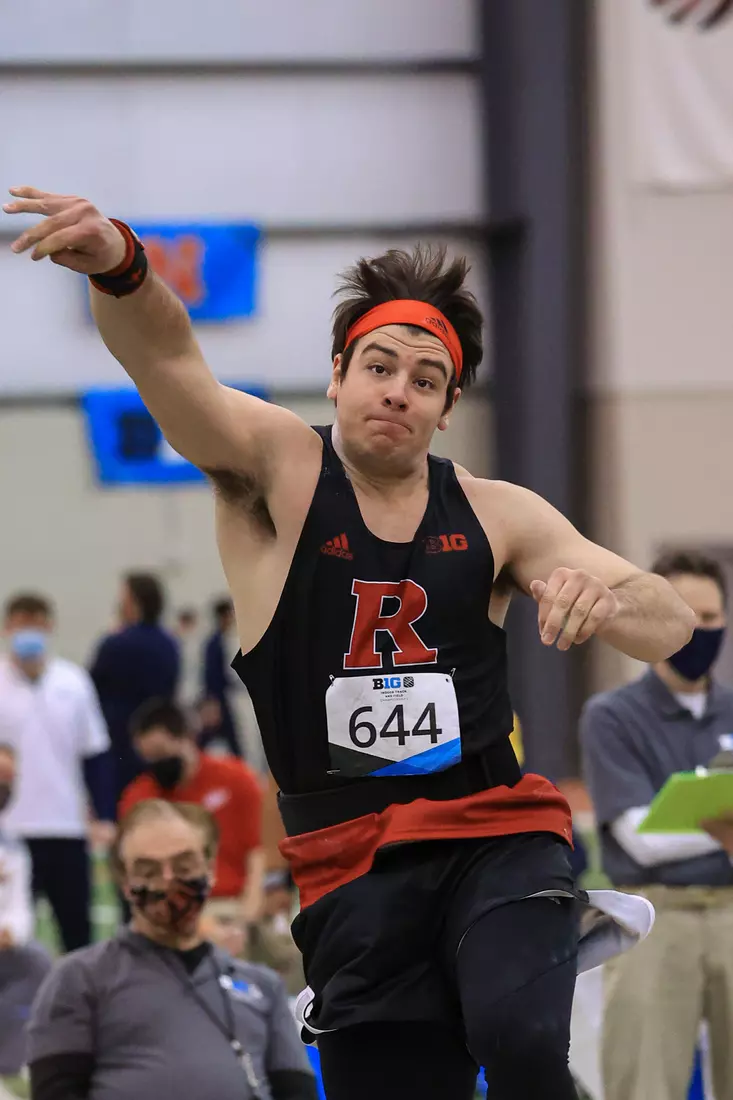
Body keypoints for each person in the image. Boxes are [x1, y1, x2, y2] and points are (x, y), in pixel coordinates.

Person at [6, 186, 695, 1100]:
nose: (397, 394)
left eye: (424, 382)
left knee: (519, 1037)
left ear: (446, 409)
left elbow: (670, 623)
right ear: (336, 375)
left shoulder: (497, 513)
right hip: (348, 860)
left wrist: (597, 597)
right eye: (379, 367)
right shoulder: (274, 472)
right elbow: (170, 360)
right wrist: (123, 266)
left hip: (494, 834)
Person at [26, 800, 317, 1100]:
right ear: (125, 882)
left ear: (210, 868)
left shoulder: (262, 987)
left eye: (183, 866)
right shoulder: (79, 980)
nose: (167, 881)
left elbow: (298, 1092)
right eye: (148, 870)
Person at [581, 550, 733, 1100]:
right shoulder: (613, 716)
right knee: (644, 1079)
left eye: (710, 618)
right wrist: (721, 828)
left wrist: (696, 823)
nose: (698, 630)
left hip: (731, 907)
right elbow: (640, 840)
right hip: (653, 913)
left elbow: (662, 829)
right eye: (685, 616)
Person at [0, 593, 114, 952]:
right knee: (11, 937)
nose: (29, 632)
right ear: (7, 628)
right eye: (21, 624)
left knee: (77, 933)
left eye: (37, 624)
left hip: (66, 826)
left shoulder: (74, 682)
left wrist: (105, 815)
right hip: (10, 833)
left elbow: (94, 754)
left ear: (49, 628)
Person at [119, 700, 265, 927]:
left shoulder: (236, 779)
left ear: (187, 738)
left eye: (161, 753)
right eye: (148, 758)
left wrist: (248, 914)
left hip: (233, 902)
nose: (157, 764)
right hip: (172, 909)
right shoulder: (140, 795)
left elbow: (258, 849)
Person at [89, 572, 180, 802]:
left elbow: (92, 688)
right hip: (159, 735)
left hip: (118, 737)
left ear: (133, 603)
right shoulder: (169, 644)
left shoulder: (116, 643)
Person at [0, 744, 52, 1076]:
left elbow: (20, 908)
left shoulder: (12, 843)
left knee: (36, 960)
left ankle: (7, 1059)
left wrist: (11, 931)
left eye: (8, 780)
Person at [200, 598, 244, 759]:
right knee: (227, 738)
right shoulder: (215, 642)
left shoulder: (226, 639)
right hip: (219, 698)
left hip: (226, 696)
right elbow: (211, 675)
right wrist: (211, 701)